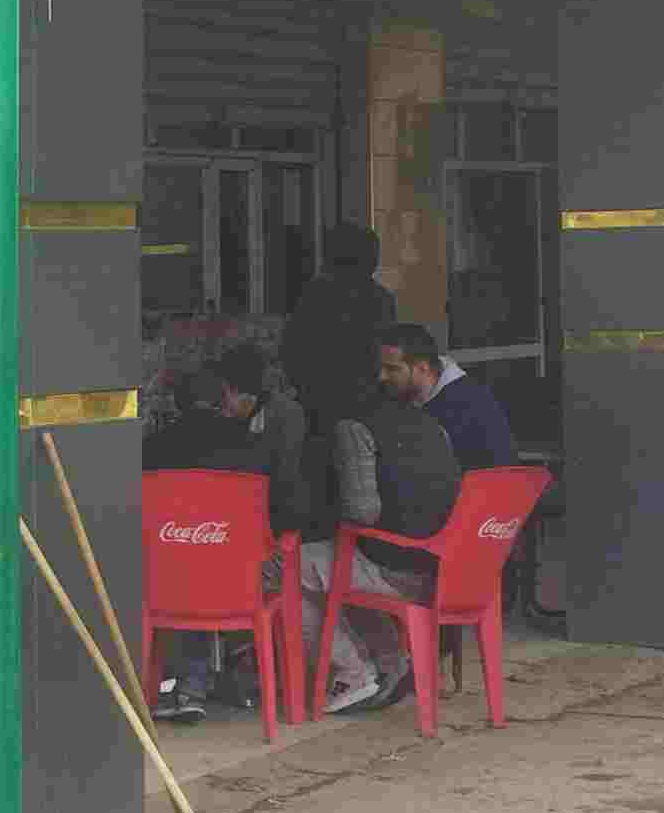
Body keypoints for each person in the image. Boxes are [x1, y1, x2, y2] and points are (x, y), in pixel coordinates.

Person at [141, 344, 304, 719]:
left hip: (167, 583)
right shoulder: (257, 450)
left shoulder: (151, 451)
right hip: (242, 584)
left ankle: (186, 686)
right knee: (227, 560)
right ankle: (234, 667)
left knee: (190, 562)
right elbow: (292, 516)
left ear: (176, 404)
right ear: (225, 397)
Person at [299, 358, 461, 715]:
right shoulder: (434, 426)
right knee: (335, 566)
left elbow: (362, 513)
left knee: (293, 570)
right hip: (445, 569)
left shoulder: (354, 428)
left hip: (398, 570)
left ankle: (352, 673)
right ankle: (391, 663)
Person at [274, 224, 397, 433]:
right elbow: (383, 353)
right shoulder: (381, 299)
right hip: (365, 402)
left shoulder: (314, 294)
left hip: (319, 402)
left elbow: (291, 351)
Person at [378, 322, 516, 473]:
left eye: (392, 369)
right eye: (382, 367)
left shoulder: (470, 404)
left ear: (422, 367)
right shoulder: (397, 395)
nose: (382, 376)